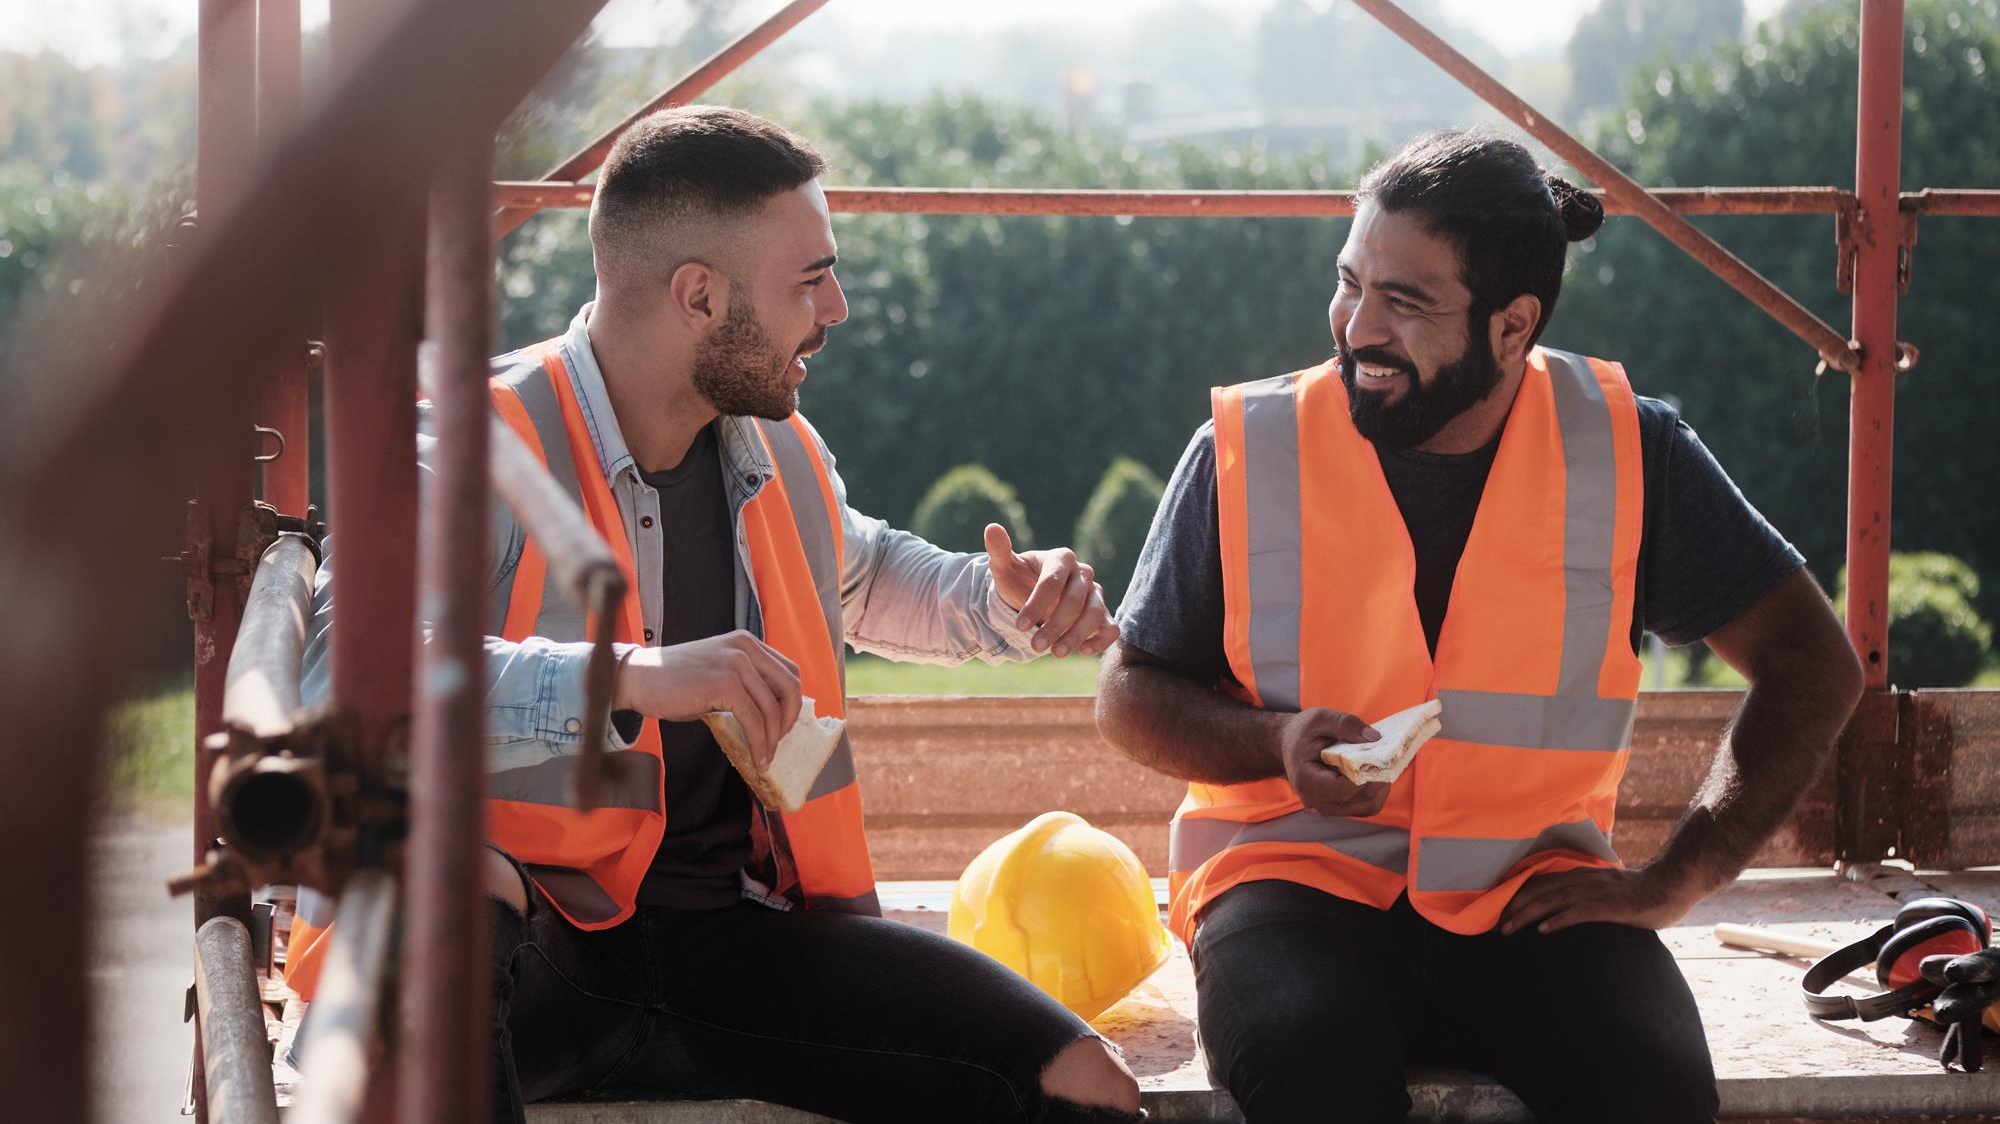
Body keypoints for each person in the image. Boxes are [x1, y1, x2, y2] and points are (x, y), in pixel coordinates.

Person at [294, 106, 1142, 1123]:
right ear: (697, 295)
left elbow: (865, 575)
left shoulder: (775, 448)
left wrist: (1004, 605)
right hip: (527, 964)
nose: (834, 308)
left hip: (737, 948)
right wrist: (630, 677)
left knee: (1080, 1085)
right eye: (809, 278)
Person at [1096, 130, 1865, 1124]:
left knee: (1651, 1082)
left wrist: (1678, 877)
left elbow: (1812, 664)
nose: (1355, 328)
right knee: (1309, 1068)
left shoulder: (1628, 448)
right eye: (1348, 282)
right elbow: (1127, 692)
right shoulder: (1249, 446)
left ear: (1512, 327)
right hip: (1288, 876)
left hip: (1529, 889)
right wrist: (1270, 744)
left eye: (1404, 302)